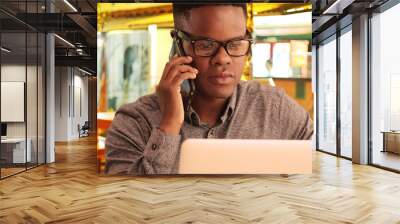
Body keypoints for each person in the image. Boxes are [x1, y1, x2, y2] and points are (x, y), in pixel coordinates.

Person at [105, 3, 313, 175]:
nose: (223, 59)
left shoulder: (275, 109)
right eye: (205, 45)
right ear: (178, 44)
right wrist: (168, 125)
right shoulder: (134, 122)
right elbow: (126, 207)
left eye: (236, 43)